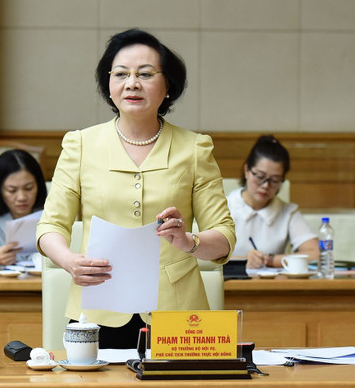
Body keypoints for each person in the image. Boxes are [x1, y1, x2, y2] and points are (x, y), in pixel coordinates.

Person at [37, 29, 235, 348]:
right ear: (109, 85)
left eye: (145, 74)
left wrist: (188, 241)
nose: (132, 83)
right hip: (98, 307)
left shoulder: (195, 148)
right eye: (121, 74)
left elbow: (224, 237)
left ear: (167, 85)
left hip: (178, 314)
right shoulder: (80, 145)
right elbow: (50, 226)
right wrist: (70, 261)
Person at [227, 134, 319, 269]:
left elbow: (315, 254)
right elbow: (204, 254)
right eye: (260, 176)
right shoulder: (224, 206)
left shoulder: (287, 212)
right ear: (247, 171)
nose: (266, 185)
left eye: (275, 180)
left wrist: (270, 260)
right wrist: (245, 261)